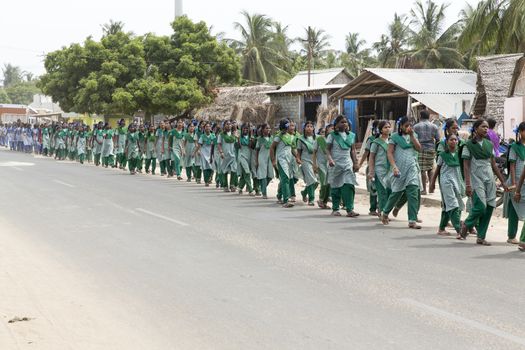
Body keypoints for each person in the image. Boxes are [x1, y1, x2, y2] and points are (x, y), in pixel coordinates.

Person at [460, 119, 508, 245]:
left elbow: (493, 164)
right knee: (481, 207)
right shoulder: (468, 145)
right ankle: (466, 224)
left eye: (487, 127)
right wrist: (468, 184)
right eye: (483, 127)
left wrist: (502, 182)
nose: (486, 129)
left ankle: (481, 236)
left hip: (489, 178)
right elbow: (466, 165)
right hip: (476, 178)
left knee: (490, 206)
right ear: (476, 129)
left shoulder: (489, 144)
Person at [381, 116, 422, 229]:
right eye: (406, 126)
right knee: (397, 193)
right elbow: (389, 153)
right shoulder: (394, 137)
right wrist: (394, 167)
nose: (408, 128)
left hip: (412, 168)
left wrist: (413, 136)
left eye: (410, 125)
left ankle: (412, 220)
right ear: (401, 126)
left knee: (413, 192)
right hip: (399, 169)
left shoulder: (414, 136)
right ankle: (385, 213)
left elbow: (419, 148)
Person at [429, 133, 465, 238]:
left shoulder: (460, 154)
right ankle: (459, 230)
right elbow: (437, 170)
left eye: (455, 140)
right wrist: (432, 183)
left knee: (449, 205)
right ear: (447, 142)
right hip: (446, 182)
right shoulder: (442, 155)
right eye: (451, 140)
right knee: (453, 204)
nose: (454, 141)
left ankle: (441, 228)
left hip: (457, 182)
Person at [326, 115, 359, 217]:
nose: (344, 124)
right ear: (336, 125)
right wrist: (330, 159)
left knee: (349, 185)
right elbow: (327, 149)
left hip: (347, 164)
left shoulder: (351, 135)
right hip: (335, 164)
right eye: (342, 122)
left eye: (345, 122)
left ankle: (350, 209)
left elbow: (353, 150)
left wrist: (355, 162)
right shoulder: (332, 135)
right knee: (336, 186)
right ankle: (335, 208)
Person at [503, 122, 525, 245]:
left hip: (524, 180)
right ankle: (511, 236)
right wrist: (514, 182)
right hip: (515, 180)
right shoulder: (514, 147)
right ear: (520, 132)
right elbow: (512, 165)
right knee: (514, 208)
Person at [368, 121, 392, 218]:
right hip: (379, 170)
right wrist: (371, 171)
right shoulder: (376, 142)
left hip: (390, 170)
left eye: (389, 127)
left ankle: (385, 211)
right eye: (385, 127)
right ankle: (382, 212)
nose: (388, 129)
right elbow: (371, 157)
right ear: (381, 130)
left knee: (389, 192)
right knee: (382, 192)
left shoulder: (392, 141)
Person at [271, 119, 297, 208]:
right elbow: (272, 148)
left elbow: (292, 148)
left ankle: (279, 195)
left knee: (286, 178)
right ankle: (286, 200)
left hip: (289, 160)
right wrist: (273, 160)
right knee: (285, 178)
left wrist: (297, 157)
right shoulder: (279, 136)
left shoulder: (291, 136)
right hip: (281, 160)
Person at [414, 110, 440, 195]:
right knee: (430, 168)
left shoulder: (416, 126)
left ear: (420, 116)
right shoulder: (434, 126)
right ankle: (431, 188)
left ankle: (424, 189)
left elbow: (413, 139)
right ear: (429, 117)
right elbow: (438, 139)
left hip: (420, 148)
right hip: (431, 148)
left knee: (422, 169)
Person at [359, 120, 379, 215]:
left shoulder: (388, 139)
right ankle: (373, 209)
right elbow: (366, 153)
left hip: (384, 168)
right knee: (373, 189)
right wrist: (359, 165)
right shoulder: (371, 140)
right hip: (372, 167)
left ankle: (381, 208)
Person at [296, 121, 318, 206]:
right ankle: (311, 199)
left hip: (315, 161)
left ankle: (304, 192)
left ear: (313, 128)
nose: (309, 128)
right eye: (307, 126)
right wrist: (298, 159)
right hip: (305, 161)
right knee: (311, 180)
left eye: (311, 126)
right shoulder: (301, 139)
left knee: (317, 182)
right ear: (304, 128)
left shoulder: (317, 138)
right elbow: (298, 152)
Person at [313, 125, 332, 209]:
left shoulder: (333, 139)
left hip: (330, 164)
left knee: (328, 184)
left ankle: (324, 201)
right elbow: (314, 152)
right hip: (320, 164)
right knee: (324, 181)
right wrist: (314, 164)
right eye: (330, 129)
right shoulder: (319, 139)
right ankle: (321, 199)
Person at [217, 120, 238, 192]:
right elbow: (219, 144)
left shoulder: (234, 134)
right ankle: (225, 186)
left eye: (230, 124)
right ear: (224, 126)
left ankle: (232, 185)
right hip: (225, 155)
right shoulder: (221, 134)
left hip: (233, 154)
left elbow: (237, 144)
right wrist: (221, 152)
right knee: (225, 170)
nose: (229, 125)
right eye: (227, 124)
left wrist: (236, 136)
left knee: (234, 169)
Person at [255, 123, 274, 199]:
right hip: (262, 158)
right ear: (262, 130)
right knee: (263, 175)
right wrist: (256, 160)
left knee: (270, 176)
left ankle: (261, 187)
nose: (268, 130)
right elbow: (257, 150)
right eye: (266, 128)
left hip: (270, 158)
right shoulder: (259, 139)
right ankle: (264, 193)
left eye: (269, 128)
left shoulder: (272, 138)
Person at [194, 122, 215, 186]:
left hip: (211, 152)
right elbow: (199, 145)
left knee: (211, 167)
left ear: (210, 128)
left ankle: (209, 178)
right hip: (203, 152)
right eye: (206, 127)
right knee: (205, 167)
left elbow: (215, 145)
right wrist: (195, 152)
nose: (207, 128)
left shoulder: (213, 136)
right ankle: (206, 181)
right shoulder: (202, 136)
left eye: (209, 126)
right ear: (204, 128)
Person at [237, 123, 254, 195]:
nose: (245, 130)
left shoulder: (251, 137)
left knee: (245, 173)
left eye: (247, 128)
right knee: (247, 172)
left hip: (249, 156)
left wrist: (251, 138)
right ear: (241, 129)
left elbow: (251, 146)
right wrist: (237, 139)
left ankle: (240, 187)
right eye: (244, 128)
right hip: (242, 155)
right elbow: (239, 146)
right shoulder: (239, 137)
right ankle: (250, 189)